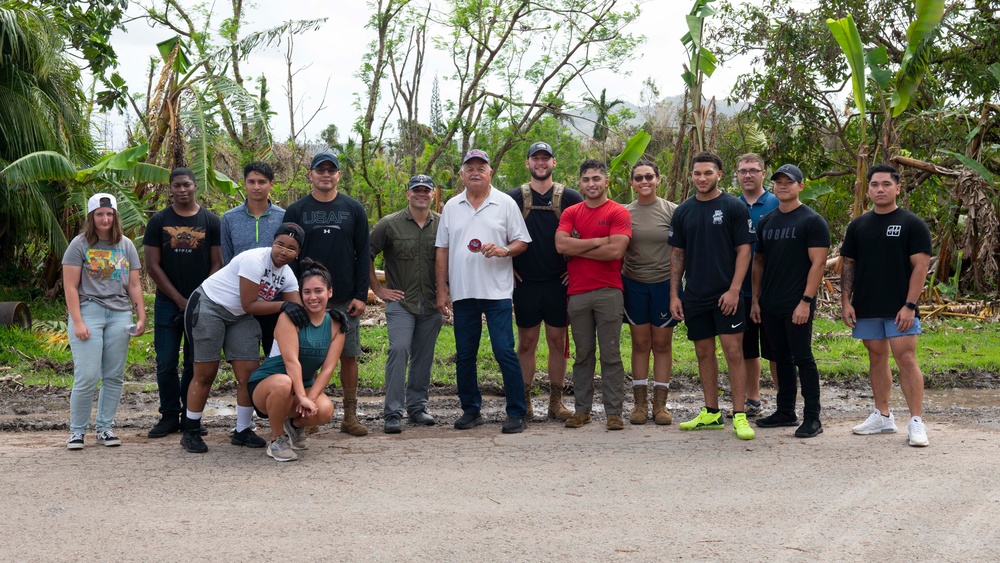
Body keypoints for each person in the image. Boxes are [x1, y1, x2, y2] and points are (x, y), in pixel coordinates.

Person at [179, 223, 309, 453]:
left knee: (248, 373)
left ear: (298, 253)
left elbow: (298, 310)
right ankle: (190, 430)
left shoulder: (287, 275)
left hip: (240, 316)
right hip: (210, 305)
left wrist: (326, 315)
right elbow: (250, 303)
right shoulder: (254, 260)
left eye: (291, 248)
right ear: (272, 242)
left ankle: (242, 430)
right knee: (205, 372)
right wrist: (284, 305)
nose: (283, 251)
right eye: (279, 244)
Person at [435, 149, 531, 434]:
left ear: (490, 173)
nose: (475, 172)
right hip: (464, 293)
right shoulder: (452, 206)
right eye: (470, 168)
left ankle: (516, 412)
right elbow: (442, 249)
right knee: (465, 354)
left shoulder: (505, 203)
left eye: (481, 167)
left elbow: (522, 241)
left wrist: (504, 250)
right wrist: (442, 291)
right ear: (462, 175)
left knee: (504, 352)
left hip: (497, 292)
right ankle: (471, 410)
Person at [841, 163, 932, 447]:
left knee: (906, 358)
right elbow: (848, 265)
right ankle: (883, 416)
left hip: (899, 307)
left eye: (886, 184)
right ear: (867, 189)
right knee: (876, 358)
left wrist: (909, 305)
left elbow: (921, 267)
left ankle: (916, 421)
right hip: (867, 306)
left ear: (897, 188)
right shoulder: (858, 225)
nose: (880, 189)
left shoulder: (912, 223)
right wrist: (845, 301)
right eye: (874, 185)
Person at [668, 152, 757, 440]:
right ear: (691, 176)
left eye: (708, 173)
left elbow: (745, 250)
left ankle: (740, 414)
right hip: (695, 295)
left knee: (734, 352)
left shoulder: (733, 206)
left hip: (727, 295)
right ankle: (711, 413)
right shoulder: (683, 211)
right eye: (697, 173)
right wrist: (675, 294)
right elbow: (677, 254)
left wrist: (734, 290)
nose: (702, 178)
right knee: (703, 352)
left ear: (719, 174)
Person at [283, 151, 371, 437]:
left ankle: (349, 415)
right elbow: (288, 256)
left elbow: (363, 254)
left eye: (330, 170)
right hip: (307, 298)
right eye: (319, 170)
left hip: (344, 298)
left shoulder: (353, 208)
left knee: (348, 355)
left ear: (338, 176)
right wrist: (294, 297)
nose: (325, 174)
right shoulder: (297, 210)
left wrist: (361, 294)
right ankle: (306, 414)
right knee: (306, 356)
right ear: (310, 175)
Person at [749, 164, 830, 438]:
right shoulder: (767, 221)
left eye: (789, 182)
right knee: (779, 357)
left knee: (802, 358)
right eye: (779, 181)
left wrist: (806, 301)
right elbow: (758, 262)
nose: (783, 186)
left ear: (800, 186)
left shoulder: (811, 221)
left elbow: (818, 264)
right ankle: (785, 411)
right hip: (770, 302)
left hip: (797, 303)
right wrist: (756, 300)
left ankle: (813, 418)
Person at [506, 141, 583, 421]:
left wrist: (574, 268)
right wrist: (507, 266)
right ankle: (524, 401)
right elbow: (498, 233)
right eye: (535, 158)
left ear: (554, 163)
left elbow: (585, 236)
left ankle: (555, 401)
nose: (540, 162)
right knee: (526, 342)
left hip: (558, 283)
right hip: (524, 282)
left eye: (546, 158)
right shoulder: (512, 198)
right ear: (527, 163)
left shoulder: (571, 197)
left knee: (557, 340)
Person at [143, 168, 222, 438]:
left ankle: (191, 416)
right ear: (171, 188)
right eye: (177, 185)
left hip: (202, 303)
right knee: (165, 361)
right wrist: (178, 299)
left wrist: (197, 297)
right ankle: (168, 415)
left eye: (187, 184)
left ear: (195, 185)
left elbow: (217, 263)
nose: (182, 190)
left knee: (194, 362)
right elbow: (152, 266)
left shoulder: (211, 221)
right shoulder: (158, 221)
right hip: (167, 302)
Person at [63, 193, 146, 449]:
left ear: (115, 216)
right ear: (92, 217)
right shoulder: (79, 244)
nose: (105, 218)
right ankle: (77, 431)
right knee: (87, 375)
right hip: (89, 311)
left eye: (109, 214)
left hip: (120, 313)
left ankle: (105, 428)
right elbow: (70, 286)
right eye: (100, 214)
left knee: (114, 375)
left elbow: (134, 284)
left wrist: (141, 314)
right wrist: (77, 322)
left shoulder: (126, 245)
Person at [555, 159, 632, 430]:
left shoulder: (618, 212)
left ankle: (614, 413)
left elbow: (616, 251)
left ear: (606, 182)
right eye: (586, 179)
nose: (591, 184)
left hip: (609, 291)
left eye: (596, 179)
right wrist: (599, 240)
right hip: (577, 293)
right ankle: (582, 410)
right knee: (583, 355)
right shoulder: (572, 212)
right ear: (580, 183)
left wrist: (578, 248)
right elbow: (561, 244)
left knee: (611, 353)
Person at [250, 259, 345, 461]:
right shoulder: (289, 318)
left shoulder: (336, 324)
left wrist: (309, 399)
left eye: (318, 291)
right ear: (300, 295)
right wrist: (302, 396)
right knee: (284, 382)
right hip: (268, 385)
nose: (312, 297)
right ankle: (277, 439)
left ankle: (293, 426)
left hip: (300, 388)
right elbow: (291, 362)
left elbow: (328, 368)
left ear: (330, 292)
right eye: (307, 292)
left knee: (325, 410)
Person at [369, 174, 443, 434]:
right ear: (408, 193)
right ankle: (392, 412)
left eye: (426, 190)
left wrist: (448, 292)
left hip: (433, 303)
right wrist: (378, 289)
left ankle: (417, 407)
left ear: (433, 194)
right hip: (401, 301)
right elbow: (366, 253)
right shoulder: (389, 224)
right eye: (416, 190)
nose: (421, 194)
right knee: (399, 349)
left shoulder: (443, 225)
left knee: (424, 356)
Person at [622, 160, 679, 426]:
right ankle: (640, 404)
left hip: (664, 285)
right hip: (634, 284)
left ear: (658, 179)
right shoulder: (623, 212)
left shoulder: (673, 211)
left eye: (649, 177)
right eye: (638, 178)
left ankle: (660, 405)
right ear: (632, 182)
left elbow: (682, 252)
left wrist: (676, 290)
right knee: (641, 344)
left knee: (662, 344)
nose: (644, 182)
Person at [221, 161, 285, 357]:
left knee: (275, 355)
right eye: (251, 181)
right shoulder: (230, 218)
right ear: (244, 184)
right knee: (245, 360)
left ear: (271, 184)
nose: (256, 187)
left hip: (275, 298)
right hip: (241, 300)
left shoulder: (284, 216)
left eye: (262, 182)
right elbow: (227, 258)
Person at [736, 153, 779, 416]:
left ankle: (785, 402)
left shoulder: (777, 202)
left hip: (773, 290)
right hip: (741, 290)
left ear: (763, 173)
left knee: (776, 350)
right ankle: (752, 400)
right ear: (737, 175)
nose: (748, 175)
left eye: (753, 170)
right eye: (743, 171)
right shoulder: (731, 205)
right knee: (747, 350)